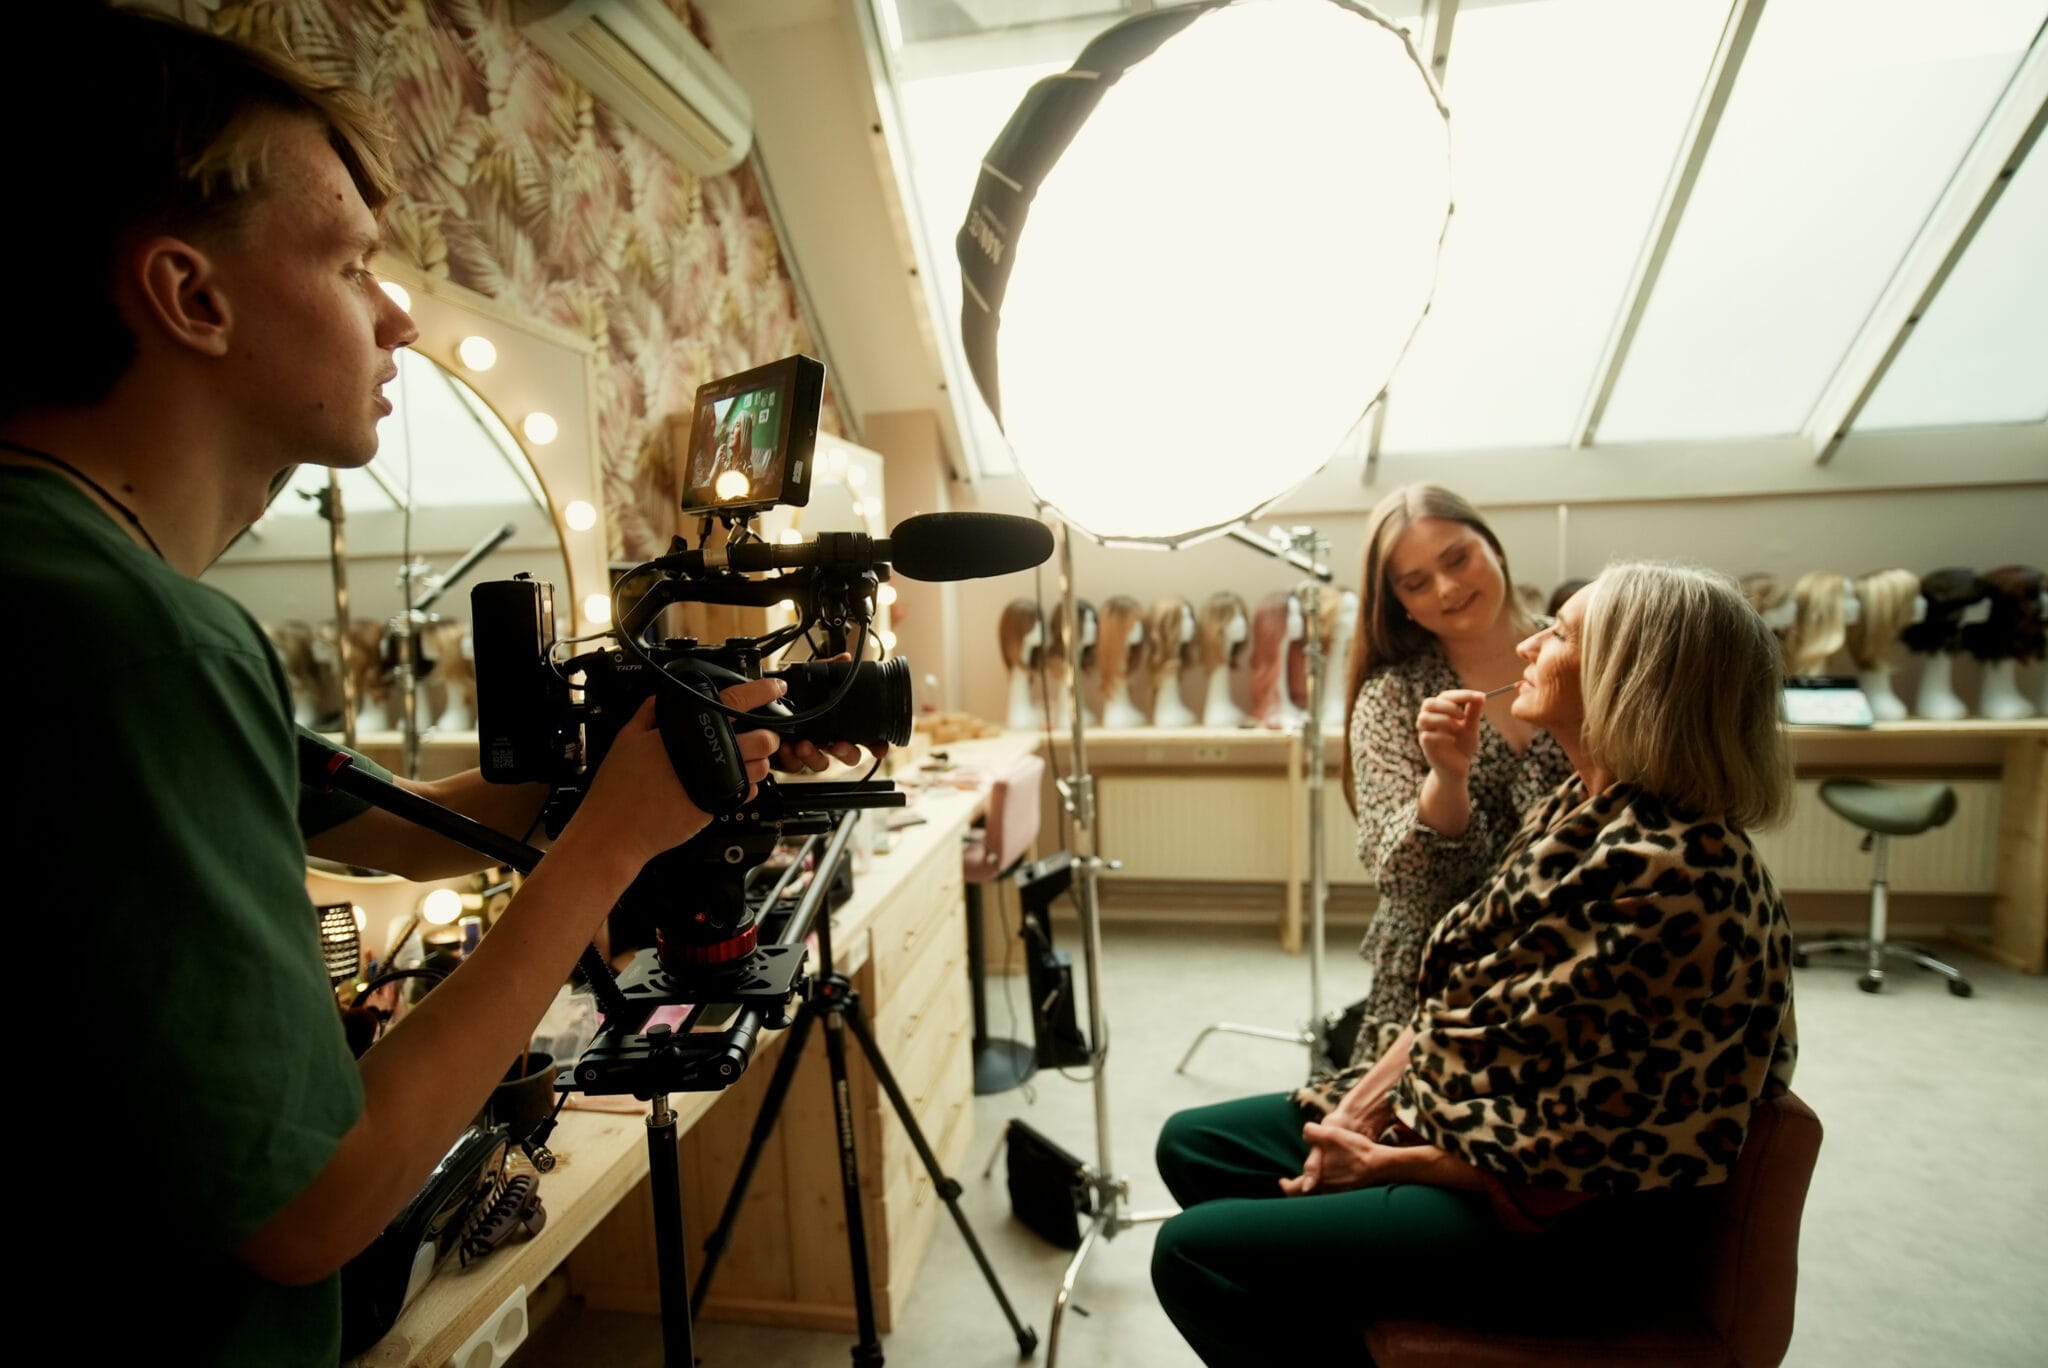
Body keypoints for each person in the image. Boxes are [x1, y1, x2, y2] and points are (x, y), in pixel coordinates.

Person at [2, 9, 870, 1363]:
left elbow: (378, 822)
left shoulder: (60, 582)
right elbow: (310, 1207)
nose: (397, 313)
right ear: (190, 296)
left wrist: (625, 763)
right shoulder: (142, 643)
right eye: (351, 264)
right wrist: (603, 850)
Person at [1152, 563, 1800, 1366]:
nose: (1529, 645)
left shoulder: (1675, 880)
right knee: (1195, 1145)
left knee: (1193, 1254)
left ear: (1632, 677)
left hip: (1564, 1228)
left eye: (1559, 635)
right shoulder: (1583, 810)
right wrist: (1358, 1110)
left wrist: (1390, 1163)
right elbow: (1460, 1001)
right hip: (1475, 1129)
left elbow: (1584, 1155)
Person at [1323, 484, 1572, 1077]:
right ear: (1400, 604)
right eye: (1416, 583)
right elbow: (1403, 878)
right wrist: (1448, 781)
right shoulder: (1391, 699)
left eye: (1458, 558)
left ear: (1494, 547)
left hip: (1581, 954)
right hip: (1444, 979)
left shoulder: (1580, 653)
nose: (1447, 587)